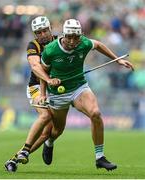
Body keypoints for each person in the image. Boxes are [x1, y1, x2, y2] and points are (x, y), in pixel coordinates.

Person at [39, 19, 134, 171]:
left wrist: (118, 60)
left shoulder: (83, 43)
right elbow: (42, 73)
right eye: (69, 36)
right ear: (64, 34)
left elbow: (98, 45)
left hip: (79, 86)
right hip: (58, 93)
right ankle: (49, 142)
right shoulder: (50, 50)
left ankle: (99, 157)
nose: (72, 41)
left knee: (96, 113)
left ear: (81, 35)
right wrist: (43, 94)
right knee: (58, 130)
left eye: (76, 37)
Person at [4, 16, 60, 172]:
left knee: (48, 132)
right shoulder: (33, 45)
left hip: (55, 88)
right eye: (38, 32)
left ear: (50, 29)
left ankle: (15, 159)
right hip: (36, 86)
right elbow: (36, 66)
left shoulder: (60, 42)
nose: (41, 34)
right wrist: (48, 80)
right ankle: (25, 149)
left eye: (44, 31)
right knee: (45, 116)